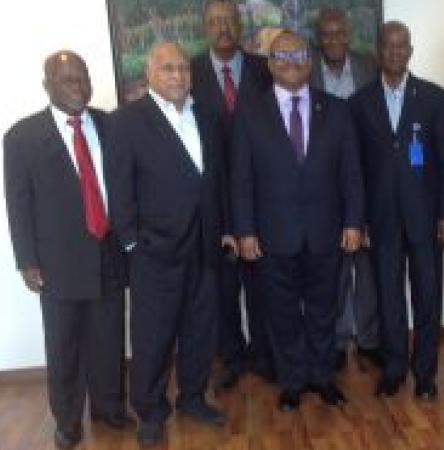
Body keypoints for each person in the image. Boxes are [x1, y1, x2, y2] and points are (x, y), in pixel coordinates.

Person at [231, 31, 365, 412]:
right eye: (282, 55)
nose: (292, 61)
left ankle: (322, 377)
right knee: (282, 312)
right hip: (272, 235)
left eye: (300, 53)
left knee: (325, 309)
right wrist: (245, 230)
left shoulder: (336, 110)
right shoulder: (249, 111)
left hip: (327, 231)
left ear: (311, 61)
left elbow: (351, 173)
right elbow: (240, 177)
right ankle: (291, 380)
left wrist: (354, 221)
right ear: (270, 63)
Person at [3, 51, 132, 449]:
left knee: (109, 339)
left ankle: (110, 408)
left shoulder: (111, 125)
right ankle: (68, 421)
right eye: (67, 80)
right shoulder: (22, 137)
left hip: (109, 252)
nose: (78, 86)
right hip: (57, 261)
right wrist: (27, 260)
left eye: (82, 78)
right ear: (48, 86)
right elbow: (18, 202)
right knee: (65, 347)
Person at [107, 42, 228, 447]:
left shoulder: (207, 116)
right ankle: (151, 411)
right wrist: (130, 244)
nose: (178, 76)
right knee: (153, 337)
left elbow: (216, 179)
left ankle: (192, 397)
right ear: (150, 74)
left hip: (205, 246)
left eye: (183, 69)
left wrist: (223, 228)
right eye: (168, 68)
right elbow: (119, 190)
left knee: (200, 331)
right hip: (154, 251)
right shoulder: (126, 122)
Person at [349, 21, 444, 400]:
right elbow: (355, 169)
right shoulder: (359, 103)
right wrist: (358, 219)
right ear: (378, 51)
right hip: (380, 222)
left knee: (427, 297)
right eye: (388, 46)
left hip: (427, 220)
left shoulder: (434, 98)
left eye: (402, 46)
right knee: (388, 297)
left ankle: (425, 373)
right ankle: (394, 369)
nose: (395, 52)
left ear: (410, 51)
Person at [190, 0, 274, 391]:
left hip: (260, 199)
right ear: (205, 27)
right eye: (215, 21)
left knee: (262, 285)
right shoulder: (187, 73)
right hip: (210, 202)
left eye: (229, 20)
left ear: (241, 25)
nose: (223, 27)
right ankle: (232, 356)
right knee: (223, 288)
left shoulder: (264, 69)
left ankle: (264, 353)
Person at [310, 6, 381, 371]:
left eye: (340, 33)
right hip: (325, 185)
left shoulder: (369, 66)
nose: (334, 40)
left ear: (348, 35)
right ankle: (336, 340)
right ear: (318, 38)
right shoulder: (306, 72)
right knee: (333, 268)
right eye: (327, 33)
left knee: (368, 265)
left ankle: (368, 338)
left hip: (367, 178)